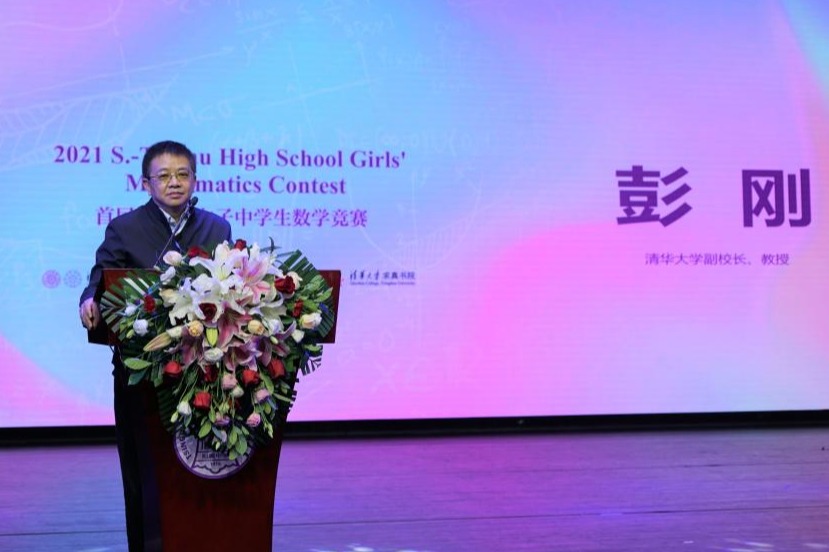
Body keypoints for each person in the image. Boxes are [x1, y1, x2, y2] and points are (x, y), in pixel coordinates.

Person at [79, 140, 231, 551]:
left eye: (182, 174)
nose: (174, 183)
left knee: (199, 466)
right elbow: (100, 279)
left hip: (202, 368)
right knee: (143, 468)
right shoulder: (125, 228)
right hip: (141, 369)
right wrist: (89, 299)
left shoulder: (217, 228)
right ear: (146, 184)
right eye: (164, 176)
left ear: (195, 180)